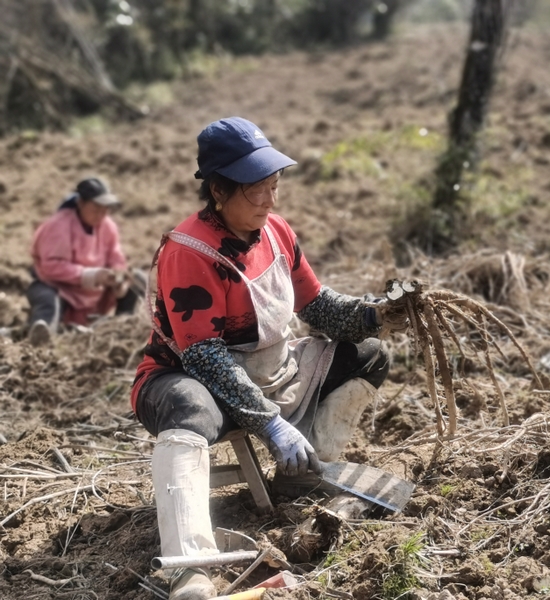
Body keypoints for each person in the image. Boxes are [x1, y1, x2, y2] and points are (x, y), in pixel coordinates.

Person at [131, 117, 400, 600]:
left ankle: (304, 472)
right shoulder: (189, 251)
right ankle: (189, 566)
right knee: (189, 408)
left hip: (271, 371)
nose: (270, 201)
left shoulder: (275, 231)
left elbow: (317, 308)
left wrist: (374, 315)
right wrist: (271, 423)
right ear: (218, 190)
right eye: (257, 191)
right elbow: (206, 356)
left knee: (368, 355)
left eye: (274, 187)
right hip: (189, 379)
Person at [26, 177, 139, 346]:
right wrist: (91, 275)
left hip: (95, 293)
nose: (101, 214)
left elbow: (116, 256)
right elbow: (51, 267)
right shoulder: (58, 225)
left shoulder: (108, 226)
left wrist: (119, 277)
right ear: (80, 203)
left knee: (136, 280)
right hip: (59, 288)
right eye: (95, 208)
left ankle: (123, 328)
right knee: (49, 300)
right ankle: (41, 337)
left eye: (105, 209)